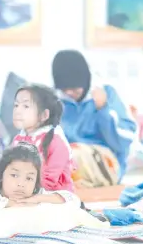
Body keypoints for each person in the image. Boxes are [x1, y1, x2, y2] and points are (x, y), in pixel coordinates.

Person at [51, 50, 137, 186]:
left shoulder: (107, 94)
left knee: (73, 157)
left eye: (74, 88)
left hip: (105, 163)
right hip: (70, 164)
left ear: (85, 81)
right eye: (64, 89)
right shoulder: (55, 101)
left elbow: (123, 142)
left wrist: (103, 110)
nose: (69, 93)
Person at [12, 85, 74, 192]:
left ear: (44, 115)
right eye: (16, 105)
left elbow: (49, 181)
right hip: (26, 191)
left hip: (54, 197)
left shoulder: (55, 141)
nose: (18, 111)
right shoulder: (18, 139)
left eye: (26, 106)